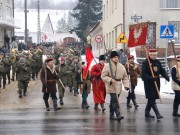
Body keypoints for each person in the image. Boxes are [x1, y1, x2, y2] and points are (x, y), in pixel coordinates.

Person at [141, 49, 170, 119]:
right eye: (153, 55)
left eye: (155, 55)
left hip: (156, 81)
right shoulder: (146, 62)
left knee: (152, 98)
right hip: (149, 83)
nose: (154, 56)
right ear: (150, 55)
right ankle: (158, 114)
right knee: (151, 98)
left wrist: (166, 76)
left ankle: (147, 112)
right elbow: (143, 75)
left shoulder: (157, 62)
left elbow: (162, 70)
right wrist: (151, 78)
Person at [101, 51, 129, 122]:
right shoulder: (107, 66)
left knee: (113, 101)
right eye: (114, 57)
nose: (116, 58)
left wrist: (126, 85)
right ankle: (118, 114)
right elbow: (103, 76)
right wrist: (110, 79)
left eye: (117, 57)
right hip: (111, 85)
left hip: (118, 85)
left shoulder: (121, 66)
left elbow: (125, 77)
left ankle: (111, 115)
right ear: (111, 58)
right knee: (115, 100)